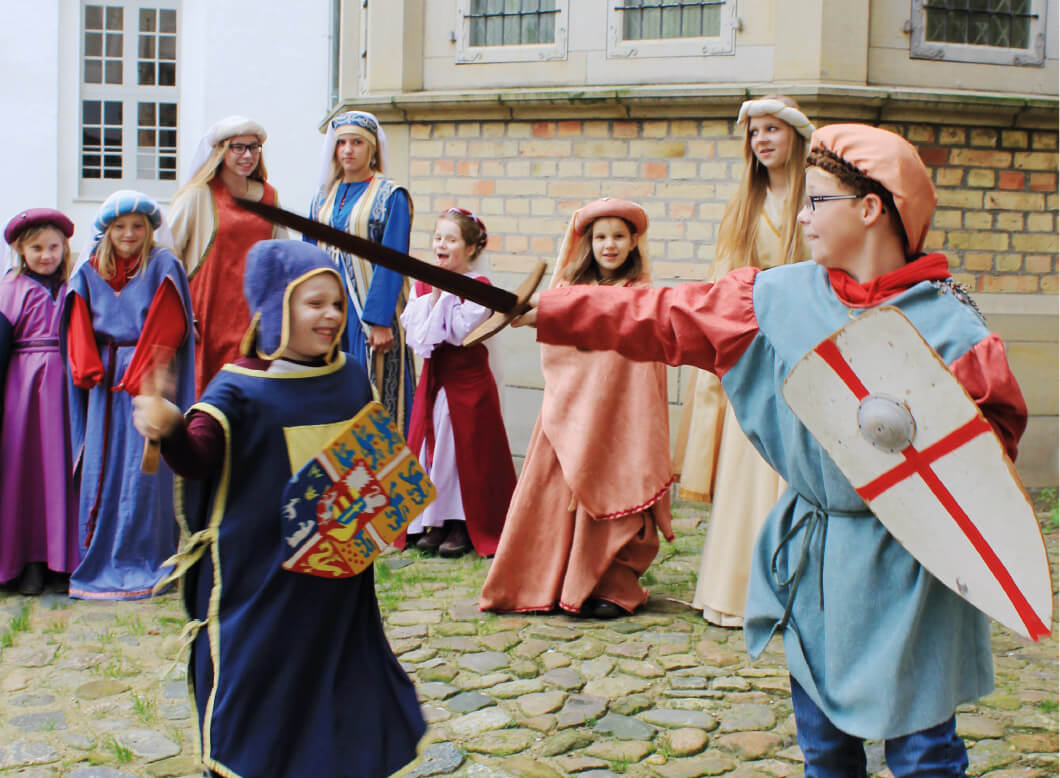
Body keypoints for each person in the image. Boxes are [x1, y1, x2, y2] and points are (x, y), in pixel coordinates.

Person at [516, 125, 1027, 775]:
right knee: (826, 749)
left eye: (818, 200)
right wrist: (558, 311)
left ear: (870, 209)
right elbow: (661, 314)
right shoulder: (771, 300)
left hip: (915, 563)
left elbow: (992, 446)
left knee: (925, 752)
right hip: (817, 558)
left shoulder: (952, 326)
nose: (802, 214)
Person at [131, 239, 426, 778]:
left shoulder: (347, 377)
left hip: (335, 583)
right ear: (277, 307)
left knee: (340, 684)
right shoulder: (240, 387)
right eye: (314, 303)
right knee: (261, 688)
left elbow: (375, 470)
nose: (332, 316)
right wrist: (170, 426)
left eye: (337, 304)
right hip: (263, 582)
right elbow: (198, 456)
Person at [479, 198, 674, 620]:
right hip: (571, 414)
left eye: (618, 236)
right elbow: (564, 330)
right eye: (601, 237)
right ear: (588, 243)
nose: (609, 245)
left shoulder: (643, 295)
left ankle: (610, 584)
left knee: (615, 487)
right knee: (557, 496)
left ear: (633, 242)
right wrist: (547, 313)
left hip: (621, 416)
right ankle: (549, 581)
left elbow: (624, 323)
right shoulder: (567, 291)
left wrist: (554, 312)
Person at [677, 96, 813, 627]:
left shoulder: (817, 200)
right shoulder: (743, 208)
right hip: (756, 351)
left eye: (773, 130)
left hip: (809, 352)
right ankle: (737, 589)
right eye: (755, 132)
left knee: (799, 470)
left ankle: (799, 594)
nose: (762, 140)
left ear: (795, 137)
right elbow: (725, 282)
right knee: (749, 467)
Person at [61, 191, 195, 600]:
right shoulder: (88, 270)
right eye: (120, 226)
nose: (129, 233)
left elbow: (169, 322)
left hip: (145, 381)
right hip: (103, 384)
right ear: (106, 230)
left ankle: (145, 558)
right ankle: (100, 557)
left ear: (150, 229)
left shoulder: (163, 265)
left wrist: (141, 375)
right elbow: (76, 319)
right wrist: (87, 368)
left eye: (137, 226)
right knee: (101, 468)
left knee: (144, 471)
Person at [400, 208, 516, 557]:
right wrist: (434, 295)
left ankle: (462, 524)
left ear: (470, 249)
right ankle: (432, 520)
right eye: (438, 237)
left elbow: (459, 334)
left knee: (463, 452)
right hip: (435, 383)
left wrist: (444, 296)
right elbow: (419, 337)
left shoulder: (478, 289)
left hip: (468, 385)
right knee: (432, 451)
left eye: (451, 239)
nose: (441, 244)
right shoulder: (423, 284)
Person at [307, 110, 416, 432]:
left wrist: (380, 320)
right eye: (341, 143)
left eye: (357, 142)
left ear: (372, 149)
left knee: (374, 392)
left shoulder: (390, 195)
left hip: (369, 310)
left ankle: (379, 469)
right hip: (329, 309)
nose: (348, 150)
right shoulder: (323, 195)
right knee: (329, 387)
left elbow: (393, 258)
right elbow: (310, 251)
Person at [168, 115, 285, 395]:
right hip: (208, 313)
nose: (248, 155)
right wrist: (182, 314)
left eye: (254, 147)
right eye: (238, 147)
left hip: (255, 313)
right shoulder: (199, 195)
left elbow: (282, 258)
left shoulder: (269, 196)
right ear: (221, 150)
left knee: (252, 389)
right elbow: (167, 258)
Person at [0, 209, 80, 594]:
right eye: (37, 248)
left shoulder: (74, 284)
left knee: (63, 470)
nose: (46, 255)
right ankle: (27, 560)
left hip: (64, 388)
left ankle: (63, 561)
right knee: (25, 472)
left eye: (53, 247)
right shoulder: (10, 289)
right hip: (23, 389)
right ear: (20, 249)